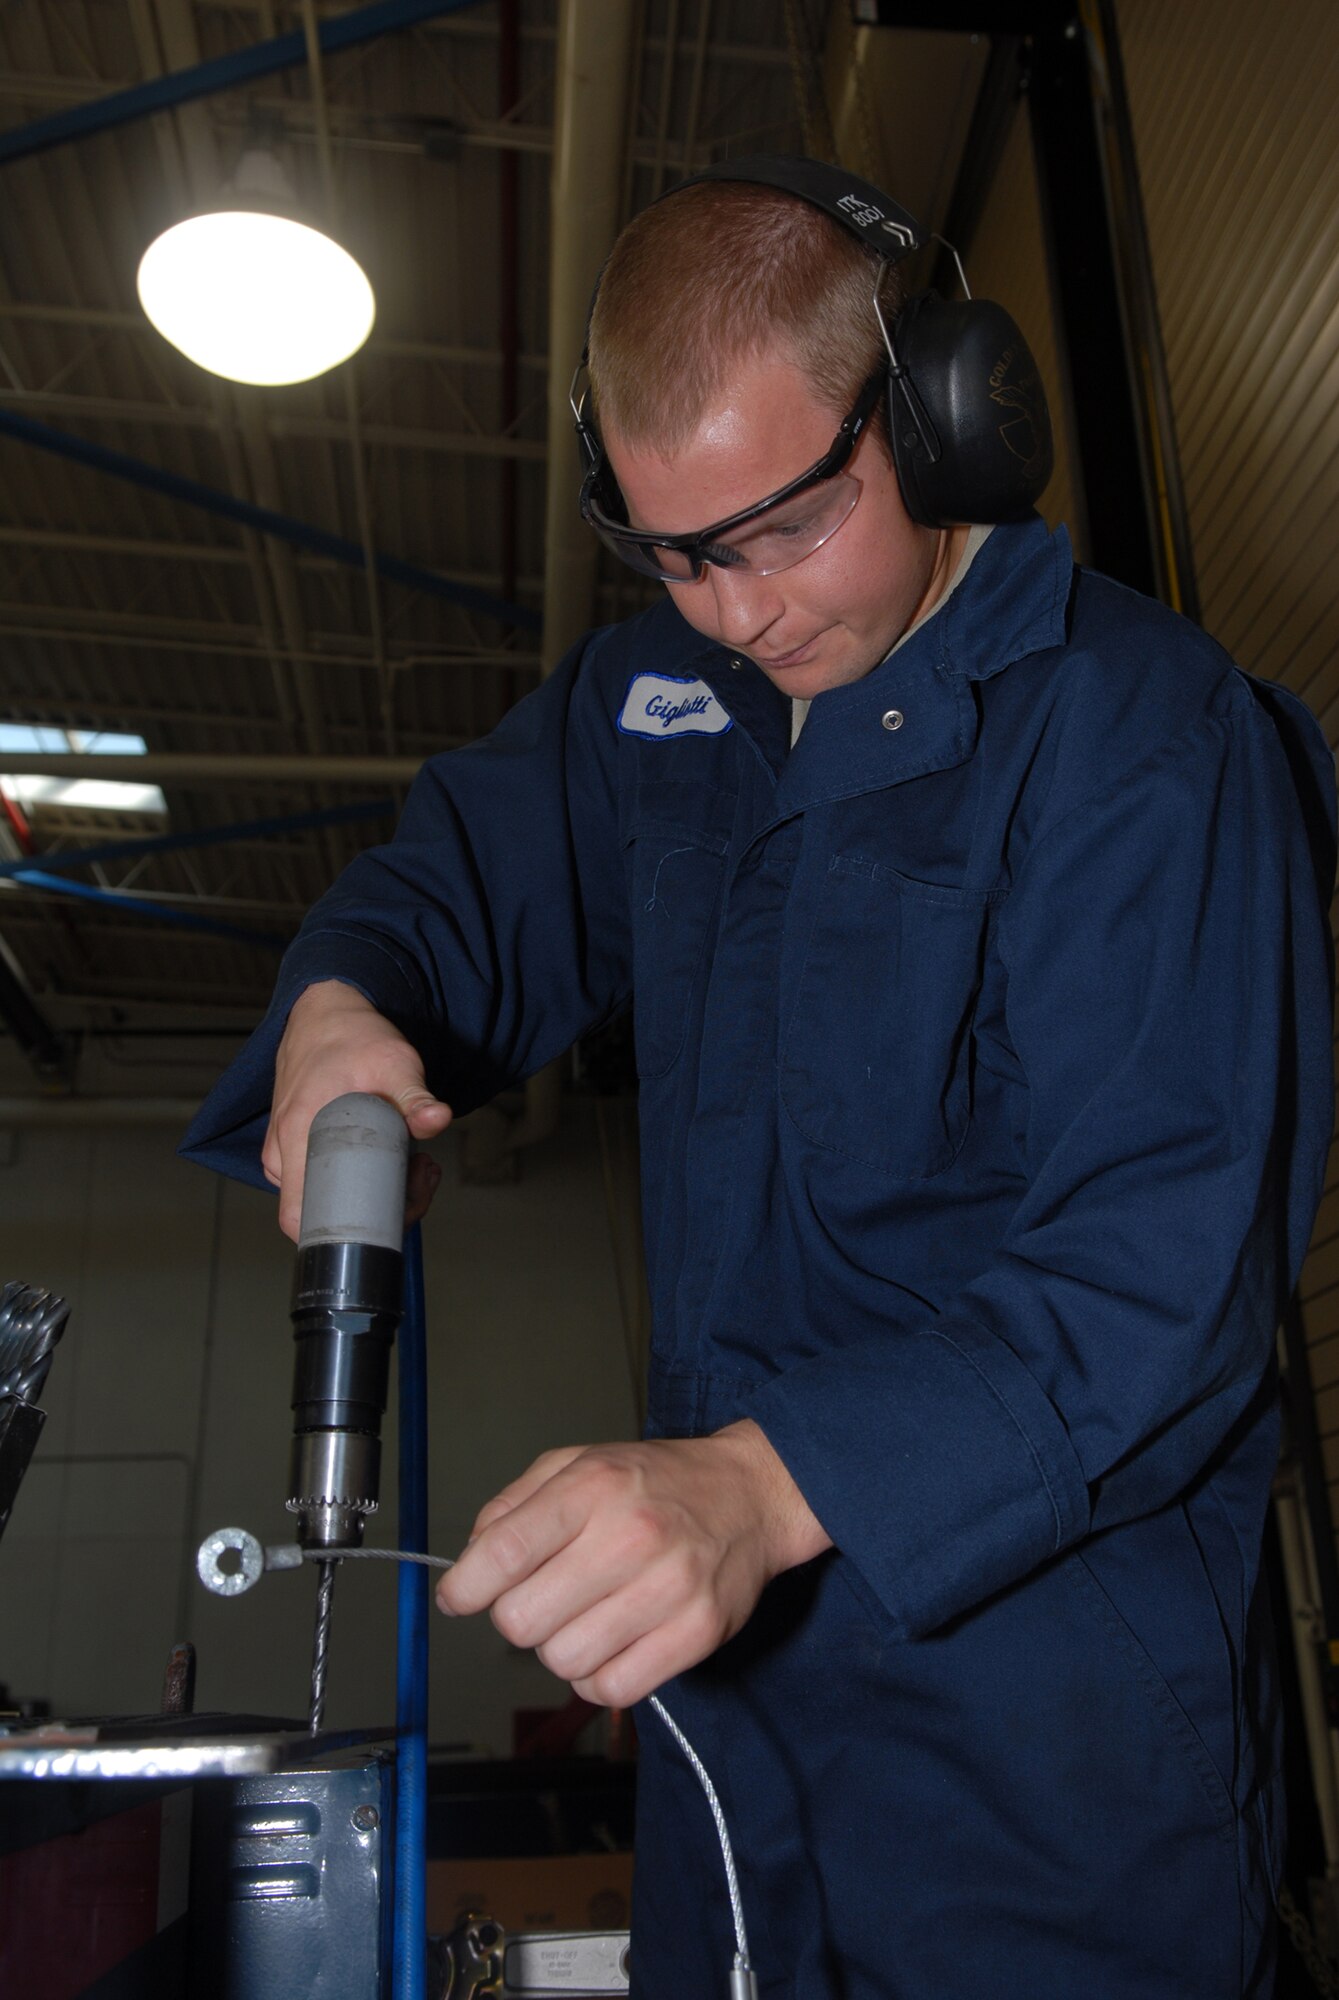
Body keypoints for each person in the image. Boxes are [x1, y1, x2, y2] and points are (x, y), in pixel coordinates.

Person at [184, 159, 1336, 1998]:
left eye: (783, 530)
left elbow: (1166, 1266)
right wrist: (341, 996)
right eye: (670, 552)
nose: (729, 613)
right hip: (735, 1772)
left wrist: (764, 1487)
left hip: (1055, 1775)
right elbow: (447, 891)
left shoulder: (1143, 734)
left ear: (949, 420)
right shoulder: (663, 710)